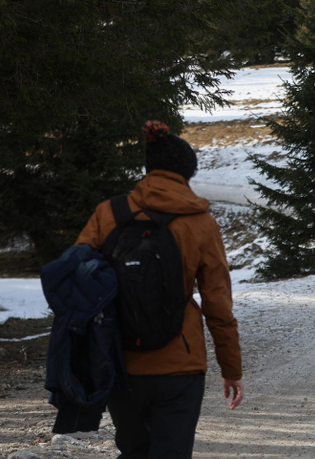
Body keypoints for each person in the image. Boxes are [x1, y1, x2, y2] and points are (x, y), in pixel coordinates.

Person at [75, 120, 243, 459]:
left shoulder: (108, 213)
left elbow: (79, 282)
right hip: (180, 364)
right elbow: (217, 304)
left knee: (134, 450)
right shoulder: (200, 222)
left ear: (148, 168)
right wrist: (231, 369)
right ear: (187, 174)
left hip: (122, 362)